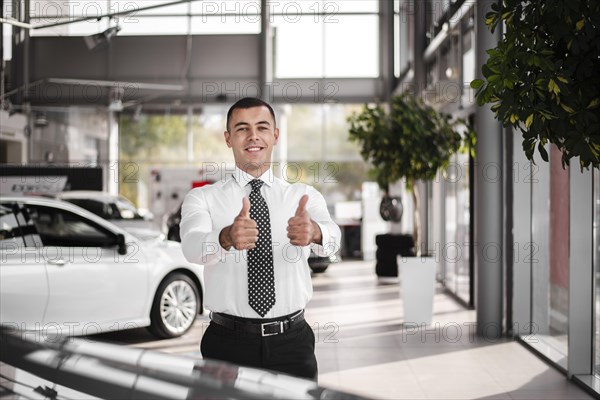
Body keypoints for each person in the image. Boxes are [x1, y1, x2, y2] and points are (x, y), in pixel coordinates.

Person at [180, 97, 340, 380]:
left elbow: (333, 238)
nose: (253, 136)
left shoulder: (302, 196)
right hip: (226, 344)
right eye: (242, 129)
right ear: (228, 139)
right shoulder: (202, 197)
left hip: (292, 343)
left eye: (262, 127)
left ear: (275, 135)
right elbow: (192, 247)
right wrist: (225, 237)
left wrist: (314, 231)